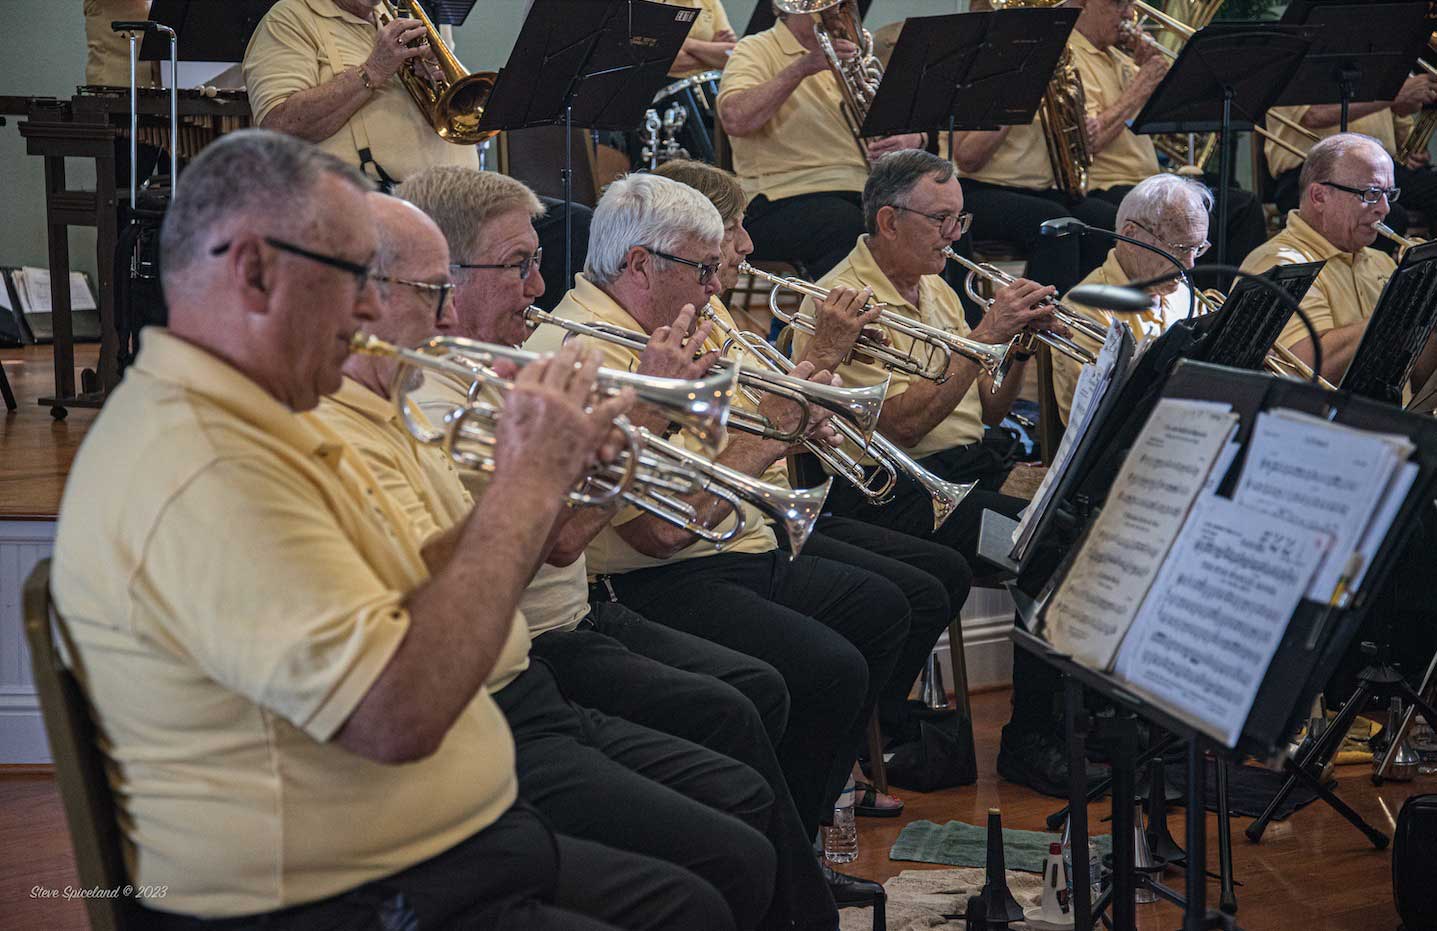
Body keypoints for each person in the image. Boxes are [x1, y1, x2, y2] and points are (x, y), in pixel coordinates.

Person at [49, 128, 732, 930]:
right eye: (352, 277)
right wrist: (528, 481)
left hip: (425, 849)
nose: (375, 307)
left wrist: (547, 470)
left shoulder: (268, 413)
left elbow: (418, 580)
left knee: (702, 890)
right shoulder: (204, 458)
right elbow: (394, 714)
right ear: (254, 271)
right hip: (330, 894)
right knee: (698, 903)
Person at [312, 191, 786, 930]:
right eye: (516, 266)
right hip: (497, 695)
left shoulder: (418, 394)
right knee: (722, 840)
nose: (537, 288)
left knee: (741, 784)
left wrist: (580, 456)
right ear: (364, 299)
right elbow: (535, 553)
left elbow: (452, 555)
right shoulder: (387, 413)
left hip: (526, 669)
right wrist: (568, 457)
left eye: (536, 264)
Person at [527, 173, 913, 903]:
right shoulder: (591, 348)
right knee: (824, 667)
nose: (716, 286)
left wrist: (794, 408)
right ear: (641, 266)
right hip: (646, 575)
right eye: (703, 270)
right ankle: (783, 868)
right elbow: (659, 531)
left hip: (723, 541)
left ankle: (789, 854)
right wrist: (771, 427)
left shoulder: (676, 324)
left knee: (880, 612)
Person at [650, 158, 972, 804]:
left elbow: (763, 424)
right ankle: (837, 774)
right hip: (722, 537)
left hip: (762, 514)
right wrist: (817, 367)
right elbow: (894, 428)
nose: (747, 244)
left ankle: (848, 758)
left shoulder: (719, 322)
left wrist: (804, 415)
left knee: (921, 585)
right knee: (878, 613)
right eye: (734, 229)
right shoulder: (695, 326)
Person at [792, 149, 1104, 797]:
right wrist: (987, 332)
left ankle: (1079, 722)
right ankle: (1029, 739)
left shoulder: (934, 285)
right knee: (1047, 545)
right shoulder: (841, 303)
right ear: (887, 221)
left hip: (959, 476)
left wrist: (1017, 344)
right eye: (940, 220)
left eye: (960, 220)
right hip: (892, 490)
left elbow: (986, 410)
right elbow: (899, 430)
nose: (954, 236)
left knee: (1083, 525)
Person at [242, 0, 587, 306]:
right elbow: (278, 124)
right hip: (376, 195)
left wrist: (435, 81)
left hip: (455, 195)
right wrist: (372, 70)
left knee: (574, 225)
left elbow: (456, 118)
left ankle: (525, 342)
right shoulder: (289, 19)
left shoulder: (390, 17)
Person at [717, 4, 927, 277]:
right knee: (847, 226)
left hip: (859, 190)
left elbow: (896, 120)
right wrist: (802, 67)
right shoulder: (756, 48)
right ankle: (833, 317)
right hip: (778, 195)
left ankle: (949, 319)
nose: (833, 12)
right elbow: (735, 118)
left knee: (933, 219)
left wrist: (912, 137)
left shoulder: (853, 55)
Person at [1064, 0, 1266, 271]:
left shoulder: (1120, 58)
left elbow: (1164, 125)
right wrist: (1141, 85)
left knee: (1243, 208)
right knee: (1199, 222)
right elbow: (1086, 144)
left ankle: (1228, 305)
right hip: (1106, 185)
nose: (1129, 14)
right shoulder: (1069, 57)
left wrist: (1148, 69)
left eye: (1130, 4)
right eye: (1118, 3)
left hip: (1148, 181)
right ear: (1082, 5)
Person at [1241, 132, 1436, 390]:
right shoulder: (1282, 264)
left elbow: (1415, 379)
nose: (1385, 209)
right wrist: (1403, 310)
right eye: (1371, 193)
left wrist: (1431, 317)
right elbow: (1304, 369)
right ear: (1319, 196)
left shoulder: (1381, 262)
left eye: (1389, 194)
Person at [1051, 173, 1209, 424]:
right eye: (1180, 249)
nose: (1189, 265)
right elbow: (1095, 417)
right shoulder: (1085, 308)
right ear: (1132, 235)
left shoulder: (1184, 293)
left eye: (1198, 248)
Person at [1265, 73, 1437, 249]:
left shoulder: (1382, 53)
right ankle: (1371, 276)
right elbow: (1315, 115)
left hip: (1381, 170)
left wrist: (1414, 148)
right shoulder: (1298, 55)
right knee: (1387, 218)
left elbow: (1402, 127)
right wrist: (1393, 96)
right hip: (1312, 172)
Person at [665, 0, 738, 77]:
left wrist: (684, 43)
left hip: (706, 81)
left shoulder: (710, 2)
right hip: (663, 81)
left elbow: (729, 55)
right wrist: (711, 51)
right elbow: (668, 62)